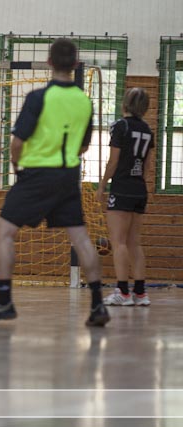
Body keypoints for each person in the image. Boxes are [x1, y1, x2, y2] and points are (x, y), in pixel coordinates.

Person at [0, 39, 110, 327]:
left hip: (37, 175)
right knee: (81, 239)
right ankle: (98, 305)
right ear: (75, 64)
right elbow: (84, 145)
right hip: (69, 176)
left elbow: (17, 143)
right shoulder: (84, 102)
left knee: (4, 233)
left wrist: (17, 168)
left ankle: (4, 300)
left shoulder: (38, 98)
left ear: (49, 62)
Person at [96, 88, 154, 306]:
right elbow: (148, 166)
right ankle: (140, 293)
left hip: (121, 189)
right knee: (134, 243)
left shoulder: (121, 126)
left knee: (118, 242)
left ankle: (123, 292)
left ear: (125, 104)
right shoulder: (148, 130)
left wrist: (102, 186)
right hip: (139, 189)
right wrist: (138, 184)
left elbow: (113, 162)